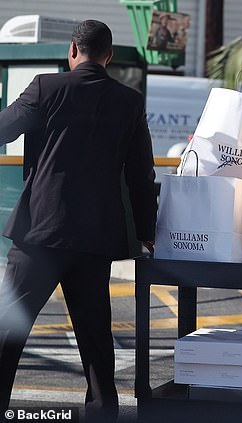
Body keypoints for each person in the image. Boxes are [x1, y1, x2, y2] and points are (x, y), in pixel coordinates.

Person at [0, 20, 157, 420]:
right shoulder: (129, 102)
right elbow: (142, 175)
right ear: (108, 57)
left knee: (8, 332)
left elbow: (3, 129)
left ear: (73, 50)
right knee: (95, 339)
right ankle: (103, 412)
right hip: (93, 238)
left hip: (39, 232)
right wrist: (146, 233)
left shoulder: (44, 88)